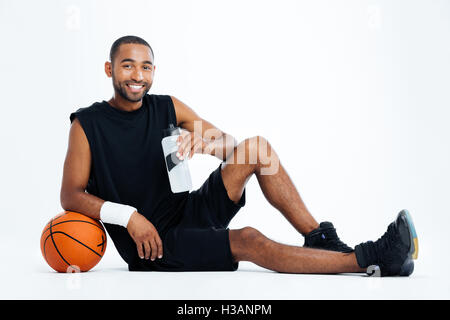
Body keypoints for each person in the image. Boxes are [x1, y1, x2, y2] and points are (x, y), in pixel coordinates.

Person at [61, 35, 418, 276]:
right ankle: (370, 259)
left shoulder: (167, 106)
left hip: (189, 212)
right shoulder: (88, 124)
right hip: (153, 244)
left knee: (257, 147)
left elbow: (232, 146)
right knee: (248, 239)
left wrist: (207, 145)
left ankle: (321, 239)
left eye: (146, 67)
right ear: (110, 69)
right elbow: (71, 195)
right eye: (127, 66)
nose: (137, 75)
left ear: (153, 71)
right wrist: (130, 218)